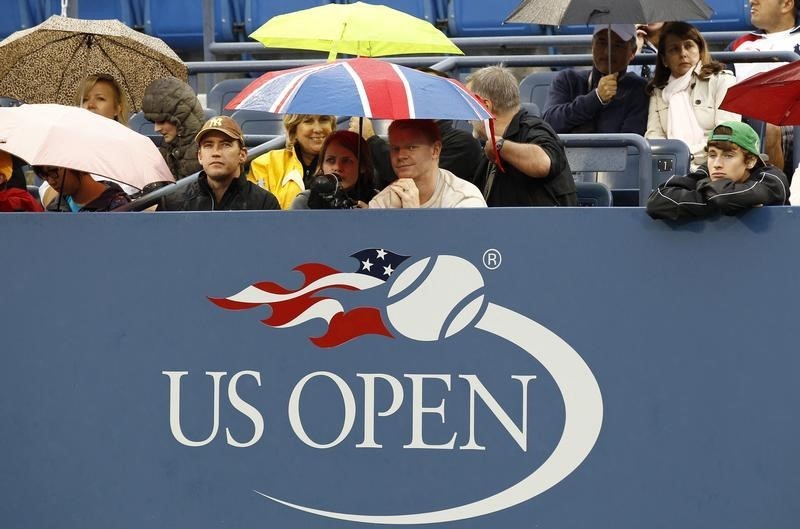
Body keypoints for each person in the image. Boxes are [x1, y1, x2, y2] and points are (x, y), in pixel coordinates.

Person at [466, 65, 577, 207]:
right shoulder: (486, 150)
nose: (467, 118)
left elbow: (542, 163)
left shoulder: (535, 129)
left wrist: (500, 145)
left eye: (469, 105)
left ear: (486, 106)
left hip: (546, 227)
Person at [646, 121, 789, 220]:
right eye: (712, 155)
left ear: (750, 161)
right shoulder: (708, 171)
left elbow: (725, 197)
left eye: (728, 155)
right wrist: (717, 198)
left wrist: (703, 187)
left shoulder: (773, 178)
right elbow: (657, 200)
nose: (717, 164)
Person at [645, 22, 740, 169]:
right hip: (669, 167)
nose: (683, 53)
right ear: (664, 59)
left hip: (714, 166)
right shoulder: (658, 91)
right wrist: (673, 160)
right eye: (674, 49)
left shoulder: (722, 80)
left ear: (700, 50)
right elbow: (654, 138)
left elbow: (726, 135)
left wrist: (686, 156)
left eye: (688, 46)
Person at [729, 0, 800, 172]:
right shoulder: (738, 45)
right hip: (746, 119)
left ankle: (775, 189)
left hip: (792, 119)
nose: (752, 1)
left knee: (768, 126)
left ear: (787, 4)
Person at [543, 24, 649, 135]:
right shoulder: (568, 79)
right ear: (593, 45)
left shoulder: (639, 88)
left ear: (632, 51)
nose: (608, 52)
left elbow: (630, 143)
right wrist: (596, 98)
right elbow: (549, 123)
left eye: (618, 45)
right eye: (602, 43)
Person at [162, 116, 279, 211]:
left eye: (226, 145)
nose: (216, 153)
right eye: (208, 145)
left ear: (242, 155)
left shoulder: (264, 203)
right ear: (200, 156)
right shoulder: (174, 203)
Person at [368, 119, 486, 209]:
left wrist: (413, 217)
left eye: (411, 147)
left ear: (435, 150)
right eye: (395, 148)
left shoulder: (464, 199)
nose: (400, 156)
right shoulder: (380, 204)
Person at [248, 114, 336, 209]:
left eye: (324, 120)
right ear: (294, 130)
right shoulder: (266, 164)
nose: (318, 129)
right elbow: (257, 215)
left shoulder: (348, 164)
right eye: (308, 121)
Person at [291, 130, 377, 209]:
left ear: (362, 166)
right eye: (330, 160)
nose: (337, 167)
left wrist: (371, 218)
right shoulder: (305, 202)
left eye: (346, 161)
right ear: (321, 165)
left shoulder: (379, 201)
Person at [141, 76, 204, 180]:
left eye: (162, 121)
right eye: (154, 122)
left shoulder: (205, 148)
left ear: (181, 118)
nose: (156, 129)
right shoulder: (167, 148)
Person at [34, 165, 130, 212]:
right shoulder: (55, 207)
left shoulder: (118, 206)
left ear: (77, 166)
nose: (51, 181)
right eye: (44, 175)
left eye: (53, 171)